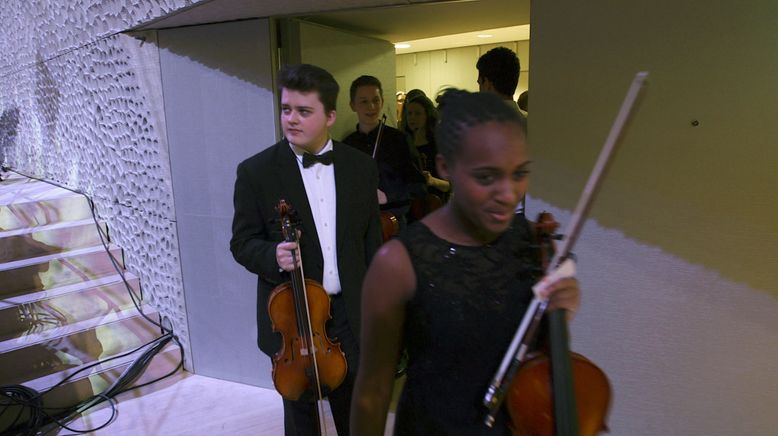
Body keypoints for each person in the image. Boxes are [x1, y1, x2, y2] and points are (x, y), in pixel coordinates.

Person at [350, 90, 581, 435]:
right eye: (486, 177)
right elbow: (373, 391)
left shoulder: (537, 244)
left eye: (519, 173)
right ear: (445, 166)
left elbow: (535, 361)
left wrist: (562, 311)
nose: (508, 193)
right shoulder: (398, 262)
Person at [230, 64, 382, 436]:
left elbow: (371, 245)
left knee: (355, 419)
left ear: (330, 115)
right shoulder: (256, 172)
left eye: (303, 111)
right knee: (301, 424)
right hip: (293, 320)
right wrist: (273, 256)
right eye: (286, 109)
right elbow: (241, 243)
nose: (291, 119)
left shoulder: (361, 168)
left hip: (348, 315)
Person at [342, 75, 426, 229]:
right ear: (352, 105)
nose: (372, 107)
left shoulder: (399, 140)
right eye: (364, 101)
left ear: (382, 102)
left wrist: (387, 196)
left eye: (375, 100)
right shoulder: (347, 145)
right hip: (359, 225)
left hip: (393, 224)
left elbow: (418, 185)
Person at [400, 94, 450, 213]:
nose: (412, 118)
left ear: (427, 116)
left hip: (435, 208)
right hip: (409, 208)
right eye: (409, 113)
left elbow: (449, 185)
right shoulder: (403, 144)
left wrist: (432, 181)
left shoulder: (439, 146)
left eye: (417, 113)